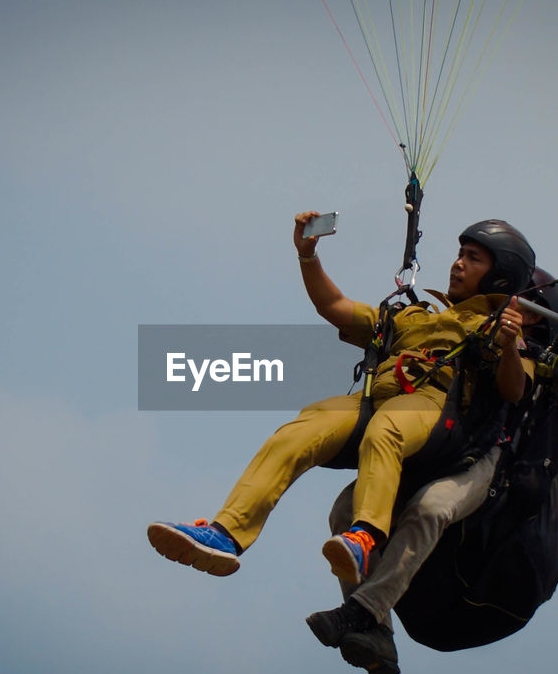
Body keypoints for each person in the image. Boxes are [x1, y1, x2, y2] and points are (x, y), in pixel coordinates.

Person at [305, 243, 558, 674]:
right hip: (433, 451)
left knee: (431, 507)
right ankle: (377, 633)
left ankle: (363, 611)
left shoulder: (543, 369)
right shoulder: (470, 340)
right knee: (344, 510)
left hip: (484, 467)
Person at [148, 212, 537, 585]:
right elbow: (332, 306)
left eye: (473, 259)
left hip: (433, 410)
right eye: (460, 254)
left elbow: (513, 390)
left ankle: (365, 537)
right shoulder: (415, 316)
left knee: (387, 430)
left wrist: (505, 343)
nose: (458, 264)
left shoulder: (498, 329)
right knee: (301, 429)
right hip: (376, 401)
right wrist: (307, 255)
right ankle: (226, 533)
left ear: (500, 277)